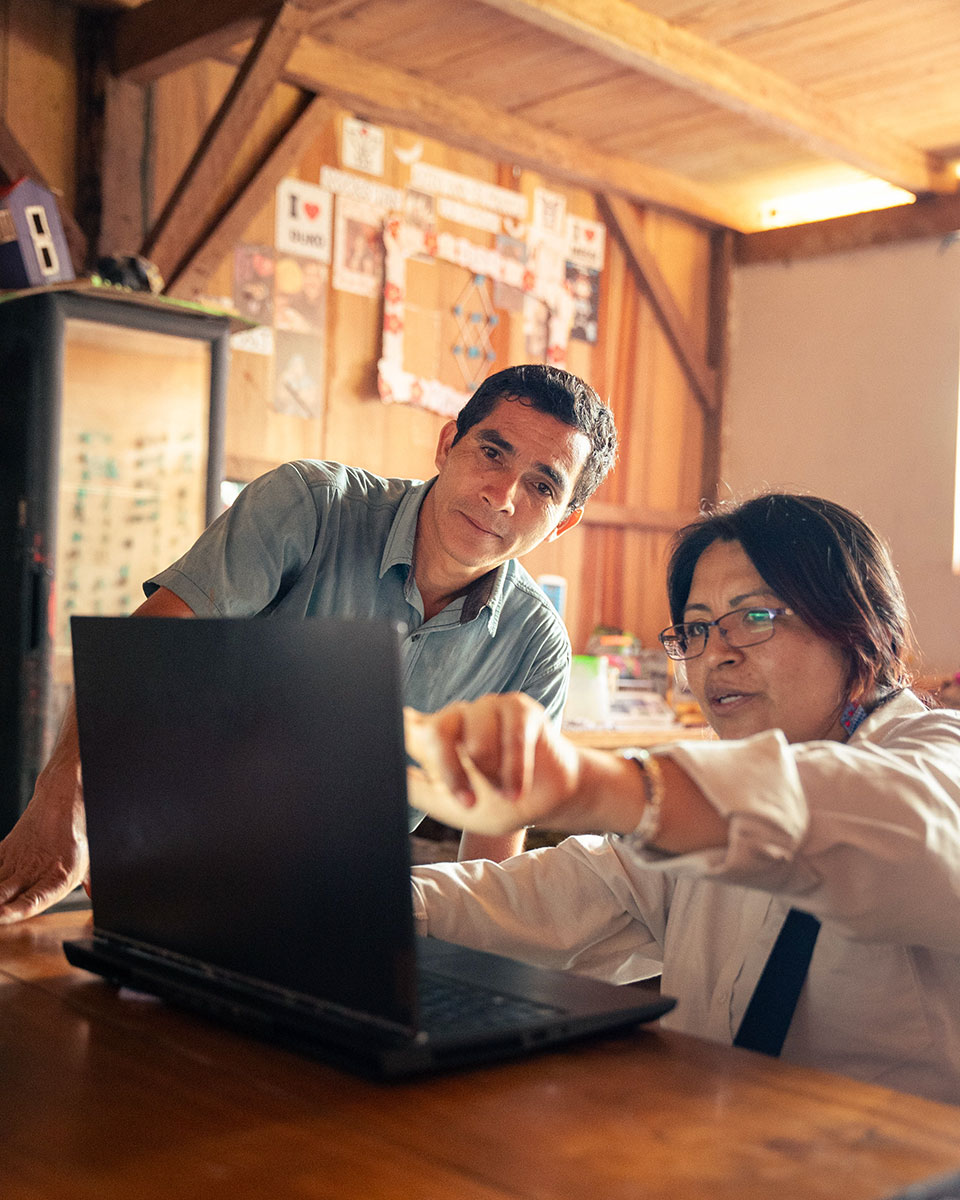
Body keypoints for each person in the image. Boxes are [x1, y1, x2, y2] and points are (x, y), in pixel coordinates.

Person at [0, 364, 617, 924]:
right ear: (446, 443)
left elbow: (492, 853)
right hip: (164, 861)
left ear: (562, 520)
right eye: (491, 452)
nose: (502, 495)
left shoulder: (535, 645)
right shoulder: (312, 506)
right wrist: (66, 796)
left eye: (541, 486)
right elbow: (149, 645)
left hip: (331, 911)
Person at [404, 493, 960, 1105]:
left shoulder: (936, 756)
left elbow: (889, 825)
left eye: (754, 617)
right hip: (715, 1155)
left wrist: (592, 787)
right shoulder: (700, 809)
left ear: (861, 626)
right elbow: (537, 901)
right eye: (696, 627)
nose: (716, 653)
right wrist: (362, 908)